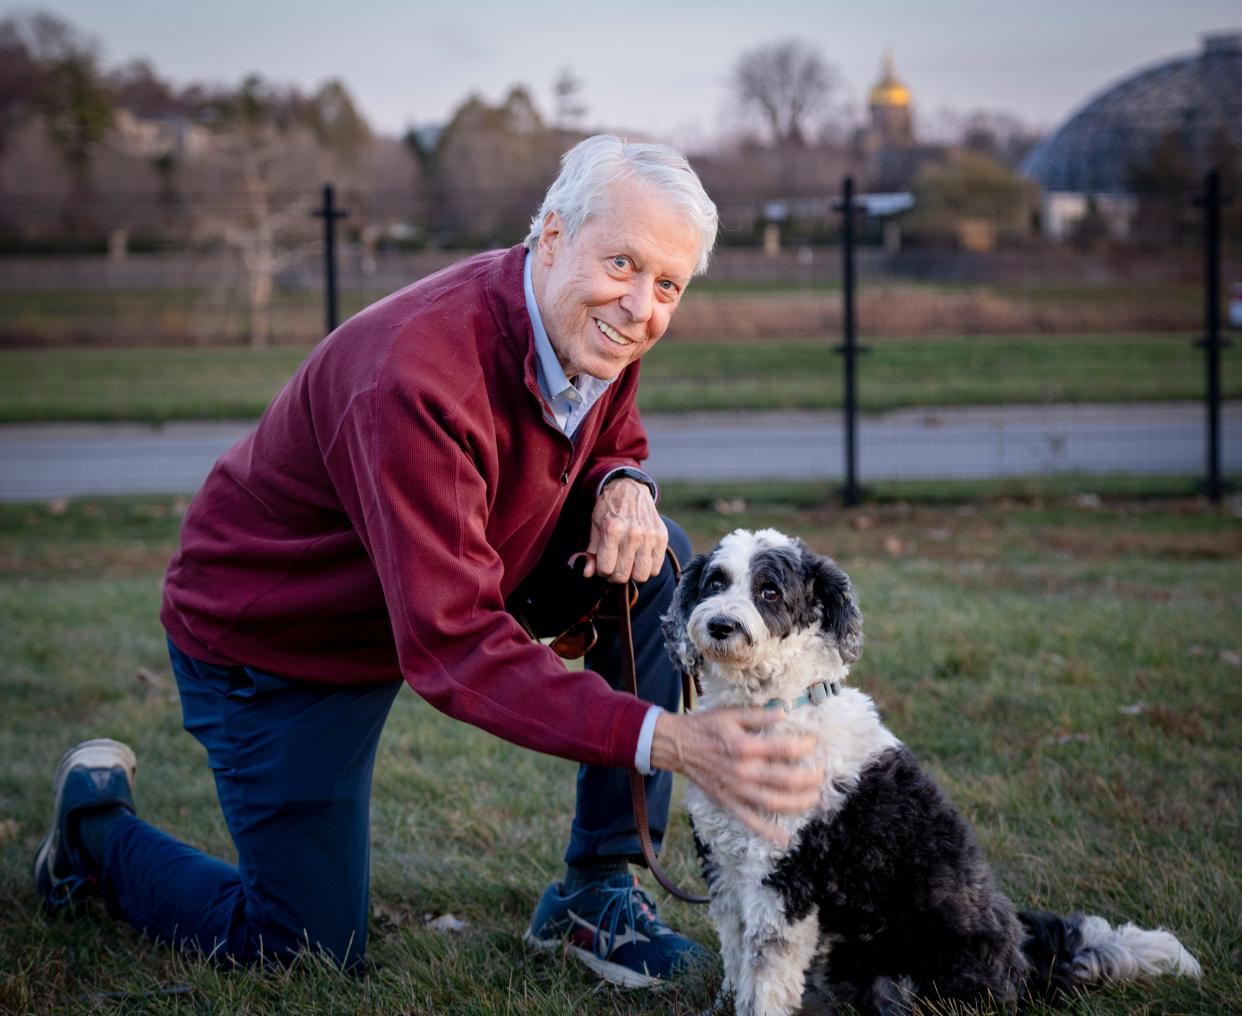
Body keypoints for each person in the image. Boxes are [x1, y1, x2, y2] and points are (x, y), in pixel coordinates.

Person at [33, 135, 823, 988]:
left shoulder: (584, 319)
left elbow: (608, 425)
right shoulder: (418, 374)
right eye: (624, 263)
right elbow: (451, 644)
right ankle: (94, 833)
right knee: (306, 951)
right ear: (551, 237)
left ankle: (597, 888)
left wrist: (625, 480)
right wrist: (668, 739)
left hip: (446, 563)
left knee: (653, 555)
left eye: (667, 284)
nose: (640, 307)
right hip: (280, 635)